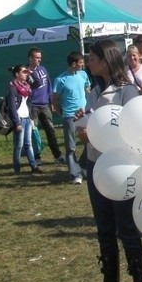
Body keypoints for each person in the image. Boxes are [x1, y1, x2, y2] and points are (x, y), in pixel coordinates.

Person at [76, 39, 142, 282]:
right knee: (104, 230)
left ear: (105, 61)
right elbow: (93, 126)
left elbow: (131, 130)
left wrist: (94, 131)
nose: (88, 62)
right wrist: (83, 124)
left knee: (127, 229)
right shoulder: (94, 91)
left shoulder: (126, 91)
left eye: (92, 58)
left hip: (121, 168)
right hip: (96, 166)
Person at [52, 51, 88, 184]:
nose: (83, 65)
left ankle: (83, 168)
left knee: (90, 142)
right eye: (81, 62)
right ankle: (75, 174)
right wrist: (61, 111)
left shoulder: (83, 75)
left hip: (84, 115)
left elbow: (87, 90)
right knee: (71, 147)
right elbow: (55, 99)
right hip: (69, 116)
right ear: (74, 64)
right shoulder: (61, 79)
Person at [26, 47, 63, 164]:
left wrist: (51, 101)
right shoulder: (25, 72)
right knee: (34, 132)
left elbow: (49, 85)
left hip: (45, 105)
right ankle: (36, 157)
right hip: (32, 106)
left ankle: (57, 156)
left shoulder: (43, 69)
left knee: (50, 131)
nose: (39, 60)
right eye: (37, 58)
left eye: (40, 58)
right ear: (30, 58)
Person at [8, 65, 42, 175]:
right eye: (24, 72)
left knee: (28, 143)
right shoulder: (13, 87)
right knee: (19, 145)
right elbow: (12, 107)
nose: (26, 74)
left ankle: (34, 166)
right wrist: (16, 122)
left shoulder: (26, 86)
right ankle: (17, 168)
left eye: (26, 73)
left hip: (27, 117)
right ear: (17, 74)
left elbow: (38, 83)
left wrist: (31, 72)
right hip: (19, 119)